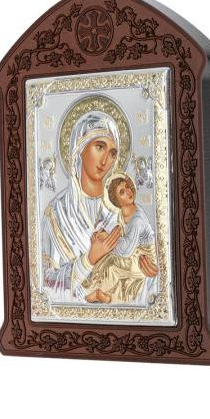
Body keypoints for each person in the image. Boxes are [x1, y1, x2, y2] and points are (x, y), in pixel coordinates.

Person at [40, 110, 158, 303]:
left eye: (112, 153)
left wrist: (150, 272)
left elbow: (147, 270)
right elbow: (44, 287)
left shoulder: (122, 210)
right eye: (99, 147)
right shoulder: (56, 213)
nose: (105, 161)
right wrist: (89, 260)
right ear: (80, 147)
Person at [82, 173, 158, 304]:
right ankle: (102, 293)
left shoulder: (137, 219)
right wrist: (102, 235)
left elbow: (126, 250)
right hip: (134, 254)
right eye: (122, 192)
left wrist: (107, 237)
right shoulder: (122, 215)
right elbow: (118, 232)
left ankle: (100, 292)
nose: (128, 191)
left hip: (143, 259)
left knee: (112, 264)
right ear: (116, 201)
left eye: (127, 187)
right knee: (105, 258)